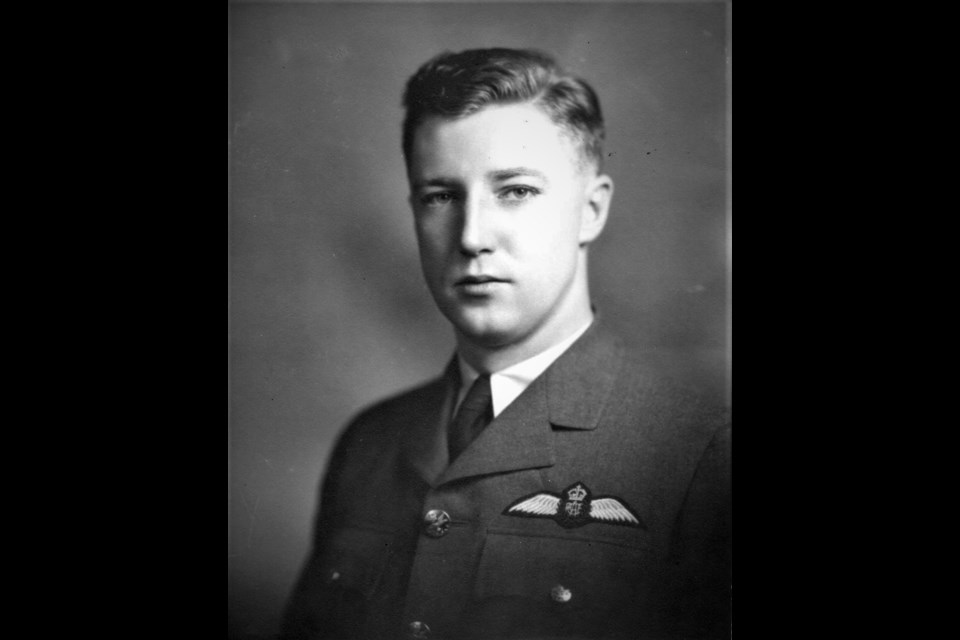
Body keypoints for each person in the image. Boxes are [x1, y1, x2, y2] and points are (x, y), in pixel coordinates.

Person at [280, 47, 730, 640]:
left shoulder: (700, 452)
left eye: (514, 191)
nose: (471, 237)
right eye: (440, 196)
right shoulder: (371, 442)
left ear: (591, 211)